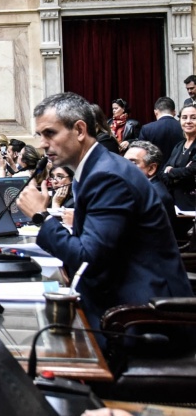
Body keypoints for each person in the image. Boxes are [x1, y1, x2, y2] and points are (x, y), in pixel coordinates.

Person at [16, 92, 192, 338]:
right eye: (40, 136)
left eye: (50, 133)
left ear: (79, 130)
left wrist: (41, 217)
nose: (43, 144)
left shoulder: (107, 176)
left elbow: (88, 257)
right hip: (122, 301)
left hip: (142, 317)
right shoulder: (95, 168)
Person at [125, 140, 177, 232]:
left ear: (151, 168)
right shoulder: (141, 189)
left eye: (133, 163)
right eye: (123, 161)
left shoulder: (156, 196)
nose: (124, 166)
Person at [161, 104, 196, 211]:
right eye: (184, 117)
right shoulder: (179, 145)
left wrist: (171, 171)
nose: (188, 121)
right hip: (175, 202)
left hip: (192, 204)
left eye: (193, 118)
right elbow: (163, 172)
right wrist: (177, 173)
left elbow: (191, 171)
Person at [138, 96, 184, 162]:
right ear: (174, 112)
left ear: (155, 112)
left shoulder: (147, 128)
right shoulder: (184, 127)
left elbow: (141, 152)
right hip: (179, 169)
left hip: (155, 169)